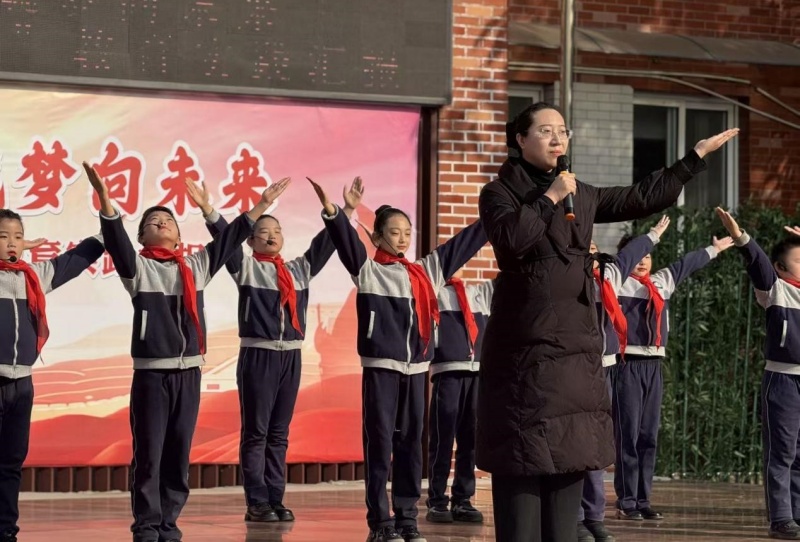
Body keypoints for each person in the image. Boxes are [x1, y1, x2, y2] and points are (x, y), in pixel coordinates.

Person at [476, 101, 738, 542]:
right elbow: (512, 240)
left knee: (569, 459)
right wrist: (551, 198)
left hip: (576, 350)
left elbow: (641, 197)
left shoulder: (584, 192)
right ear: (520, 140)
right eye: (545, 130)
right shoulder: (499, 193)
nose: (558, 138)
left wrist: (692, 160)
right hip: (525, 348)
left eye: (562, 130)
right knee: (522, 468)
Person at [84, 162, 289, 542]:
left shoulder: (196, 265)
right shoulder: (138, 267)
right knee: (149, 454)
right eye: (152, 222)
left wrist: (260, 205)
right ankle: (147, 525)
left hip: (189, 373)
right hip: (151, 374)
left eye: (168, 220)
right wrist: (107, 200)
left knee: (178, 453)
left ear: (179, 237)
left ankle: (169, 521)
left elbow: (229, 240)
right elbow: (115, 238)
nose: (161, 223)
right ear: (143, 236)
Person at [308, 177, 487, 542]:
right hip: (382, 371)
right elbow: (345, 243)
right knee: (380, 445)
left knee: (410, 446)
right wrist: (335, 211)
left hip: (417, 371)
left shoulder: (427, 271)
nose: (403, 238)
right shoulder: (368, 270)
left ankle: (407, 519)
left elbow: (463, 244)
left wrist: (494, 217)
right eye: (394, 232)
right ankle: (380, 523)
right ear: (376, 238)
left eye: (407, 232)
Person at [195, 178, 364, 523]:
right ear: (252, 239)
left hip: (292, 356)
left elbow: (327, 243)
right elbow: (225, 238)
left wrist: (344, 210)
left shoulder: (298, 270)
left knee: (279, 432)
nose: (272, 235)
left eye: (277, 230)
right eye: (264, 230)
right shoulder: (245, 266)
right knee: (256, 431)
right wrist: (209, 210)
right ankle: (256, 501)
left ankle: (275, 498)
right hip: (259, 355)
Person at [613, 229, 733, 521]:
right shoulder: (615, 283)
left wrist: (713, 249)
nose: (643, 261)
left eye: (648, 255)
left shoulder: (660, 282)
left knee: (648, 434)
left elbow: (685, 264)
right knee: (627, 434)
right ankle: (626, 501)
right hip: (627, 364)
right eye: (637, 255)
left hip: (654, 366)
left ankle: (644, 500)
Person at [0, 210, 105, 542]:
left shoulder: (33, 275)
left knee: (11, 462)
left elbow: (74, 261)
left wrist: (110, 228)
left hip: (22, 383)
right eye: (3, 236)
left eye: (18, 236)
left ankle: (5, 530)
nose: (12, 243)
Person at [578, 215, 671, 542]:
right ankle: (597, 510)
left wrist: (654, 237)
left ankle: (616, 508)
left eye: (592, 248)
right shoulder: (584, 281)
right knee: (606, 439)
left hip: (619, 367)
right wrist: (652, 236)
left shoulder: (614, 281)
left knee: (628, 439)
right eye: (583, 248)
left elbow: (676, 265)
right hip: (594, 368)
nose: (643, 261)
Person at [717, 208, 800, 540]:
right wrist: (740, 237)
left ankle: (797, 513)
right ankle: (781, 518)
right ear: (782, 267)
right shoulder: (775, 289)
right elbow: (757, 262)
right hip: (782, 380)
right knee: (781, 450)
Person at [425, 268, 494, 525]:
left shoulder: (481, 292)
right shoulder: (433, 291)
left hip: (476, 373)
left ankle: (463, 499)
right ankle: (437, 499)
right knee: (443, 439)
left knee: (470, 440)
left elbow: (507, 278)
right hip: (448, 373)